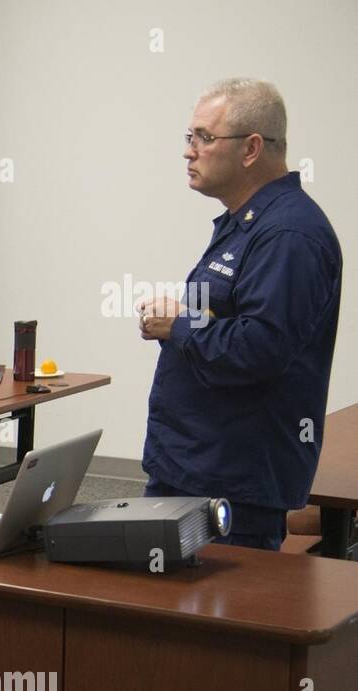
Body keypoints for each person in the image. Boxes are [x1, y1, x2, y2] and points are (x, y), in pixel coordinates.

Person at [137, 78, 342, 551]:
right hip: (192, 466)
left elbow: (259, 348)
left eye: (204, 138)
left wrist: (180, 324)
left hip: (231, 481)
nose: (189, 151)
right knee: (161, 617)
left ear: (251, 149)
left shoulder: (291, 234)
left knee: (212, 618)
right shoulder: (245, 222)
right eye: (189, 137)